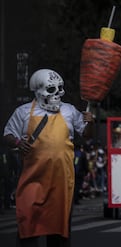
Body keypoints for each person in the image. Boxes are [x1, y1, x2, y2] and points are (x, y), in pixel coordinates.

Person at [2, 69, 94, 247]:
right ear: (37, 91)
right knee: (28, 226)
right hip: (32, 180)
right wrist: (17, 142)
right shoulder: (23, 112)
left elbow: (86, 134)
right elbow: (7, 135)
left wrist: (91, 122)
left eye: (60, 88)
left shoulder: (69, 110)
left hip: (61, 181)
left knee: (59, 231)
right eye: (51, 89)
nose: (57, 94)